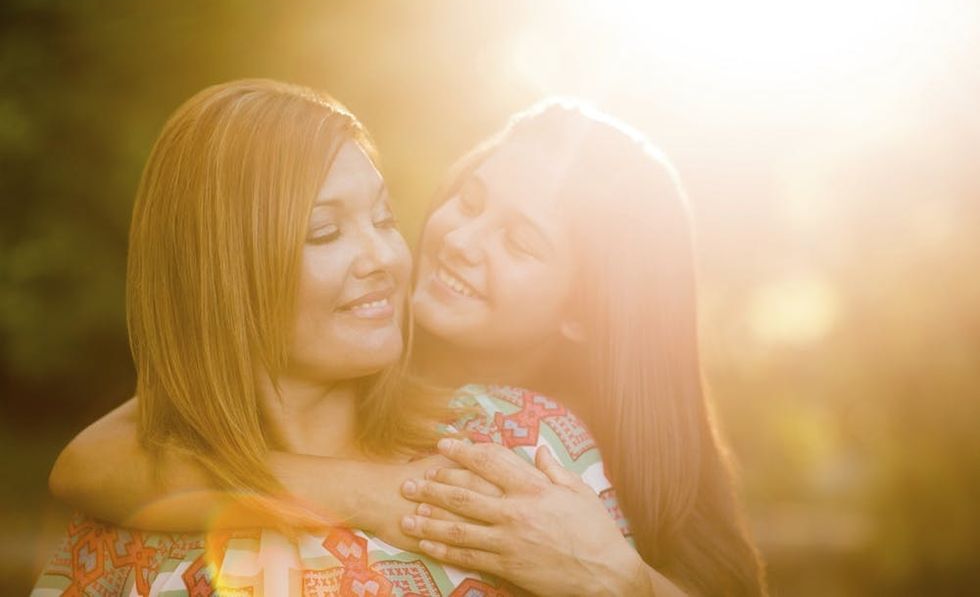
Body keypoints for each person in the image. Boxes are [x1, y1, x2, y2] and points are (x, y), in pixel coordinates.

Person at [47, 97, 766, 595]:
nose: (457, 239)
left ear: (582, 313)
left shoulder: (564, 445)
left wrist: (618, 579)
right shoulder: (343, 347)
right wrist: (370, 493)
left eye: (519, 242)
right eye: (471, 200)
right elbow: (93, 462)